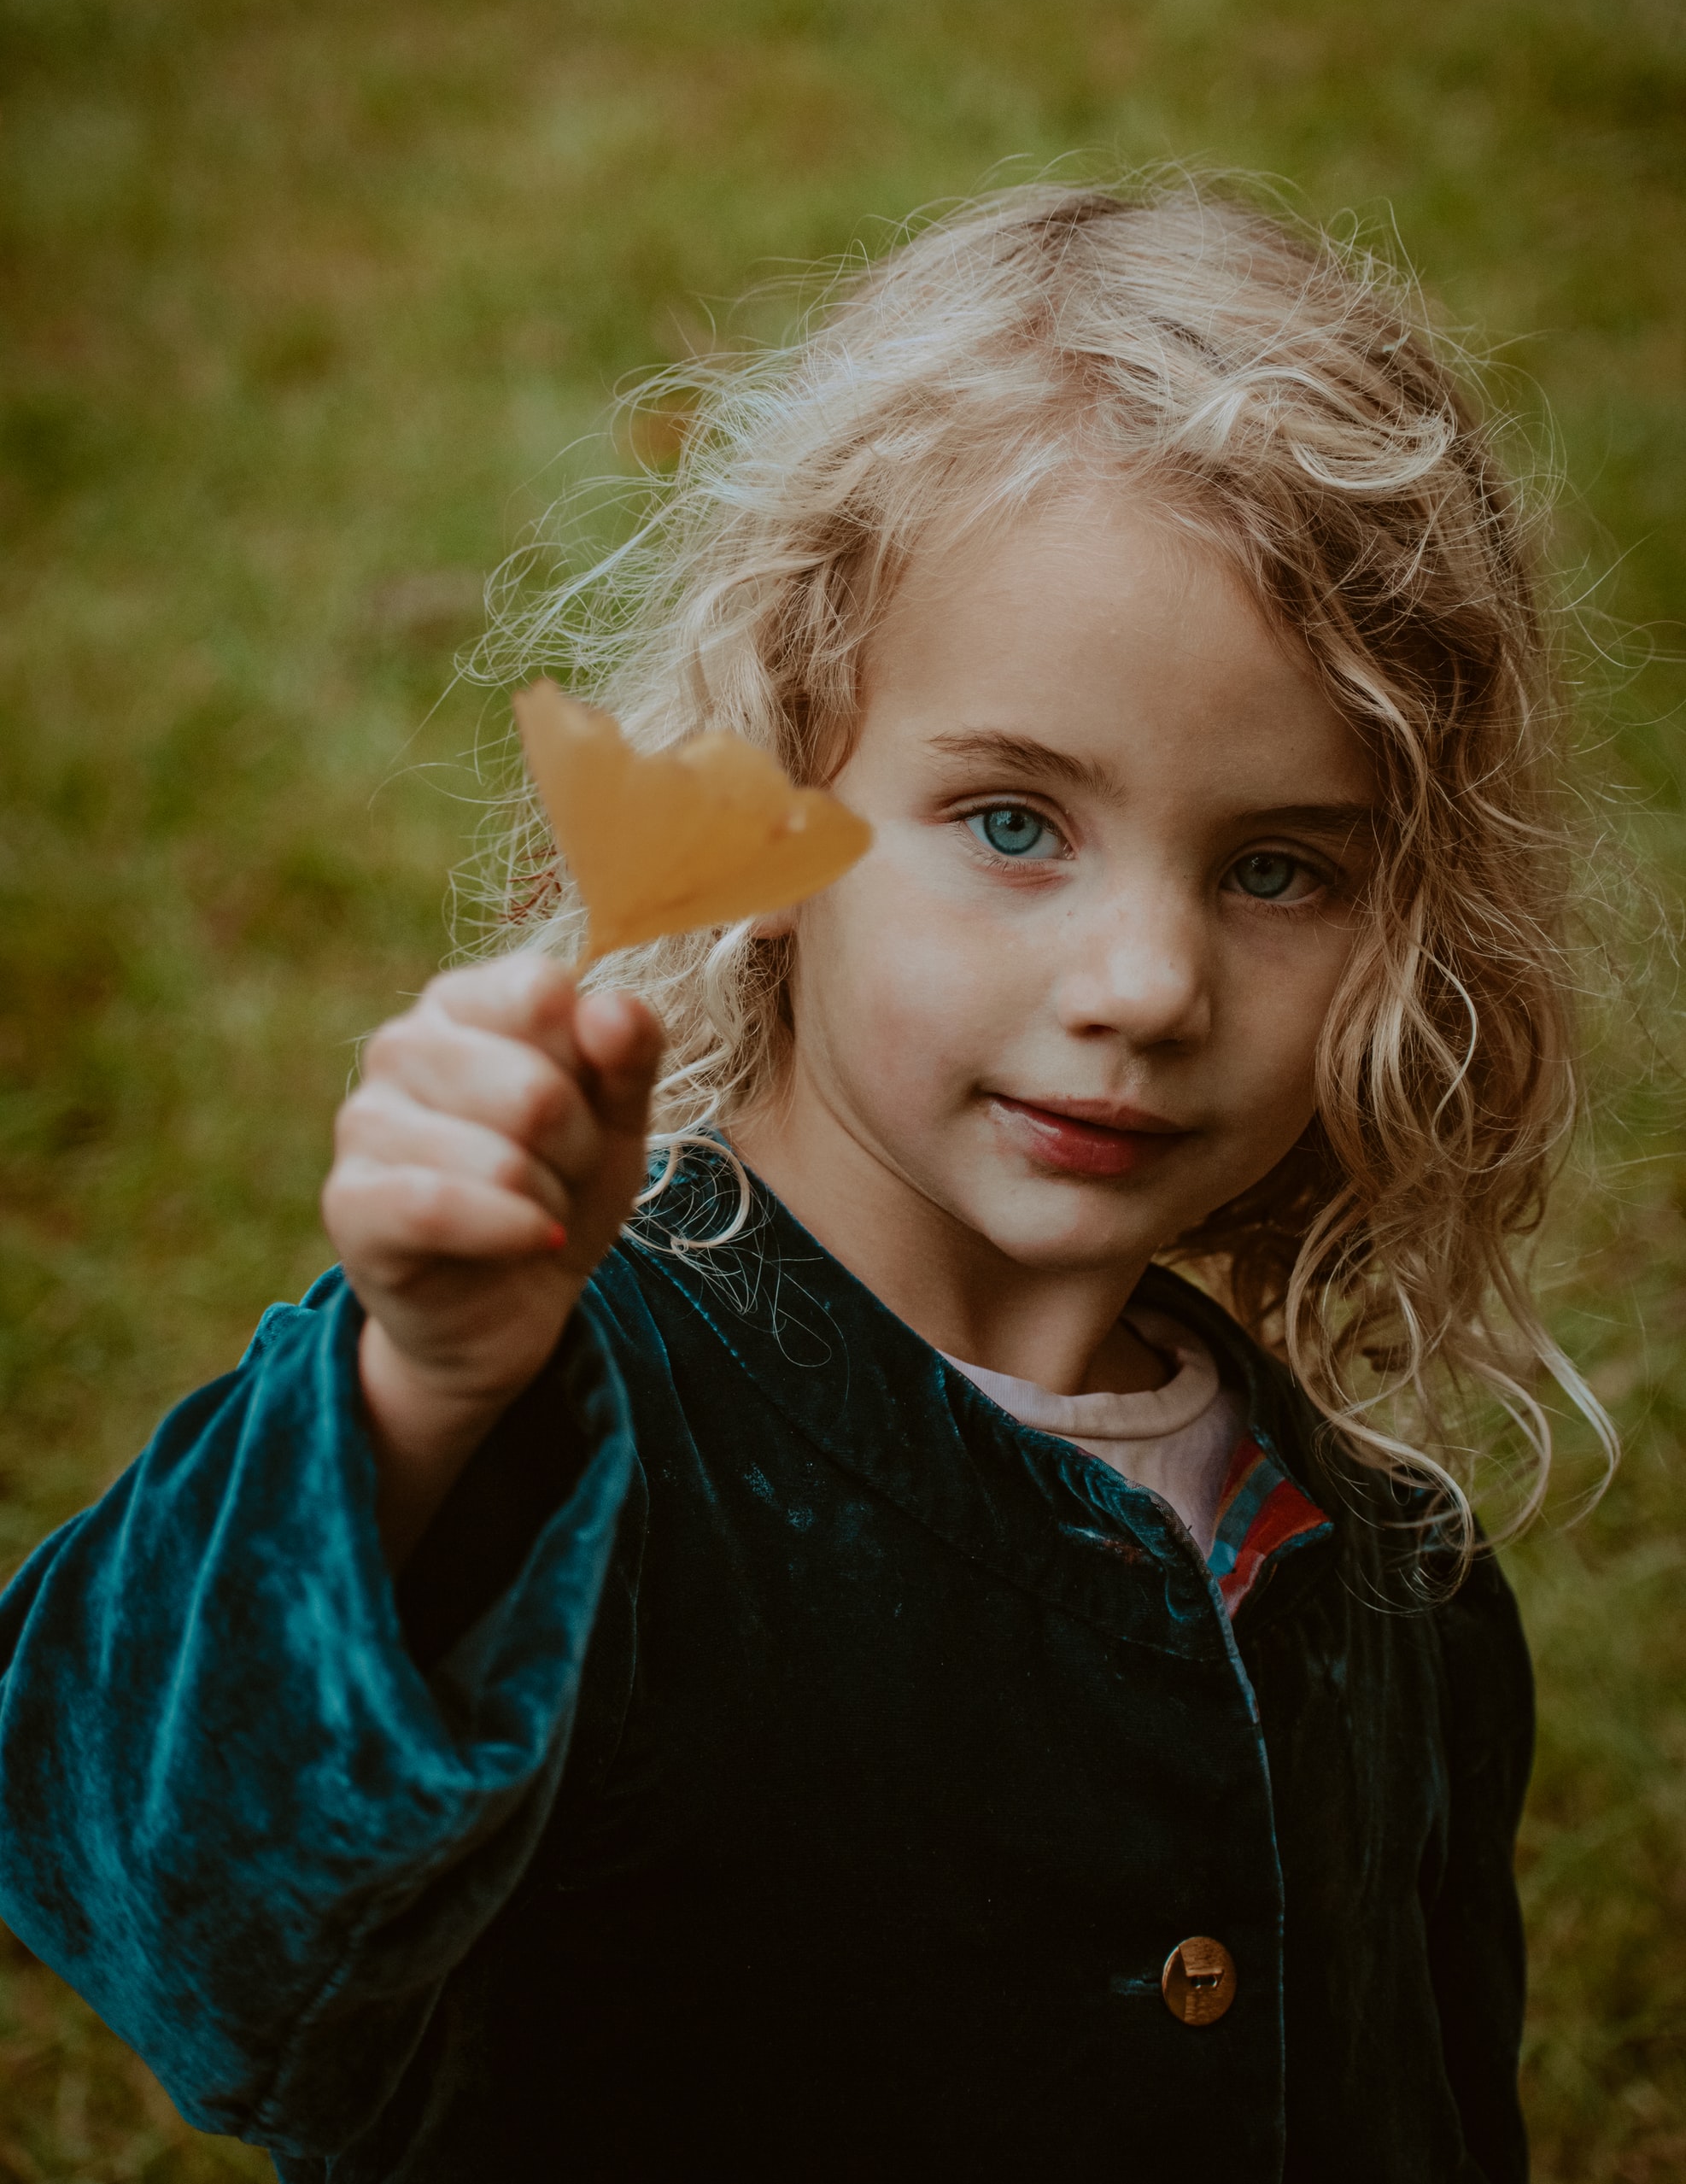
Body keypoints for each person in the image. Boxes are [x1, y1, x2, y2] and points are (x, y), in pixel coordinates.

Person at [0, 184, 1612, 2181]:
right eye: (1015, 820)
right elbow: (173, 1914)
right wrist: (417, 1393)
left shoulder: (1386, 1580)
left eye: (1280, 864)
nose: (1147, 983)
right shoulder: (561, 1425)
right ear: (782, 786)